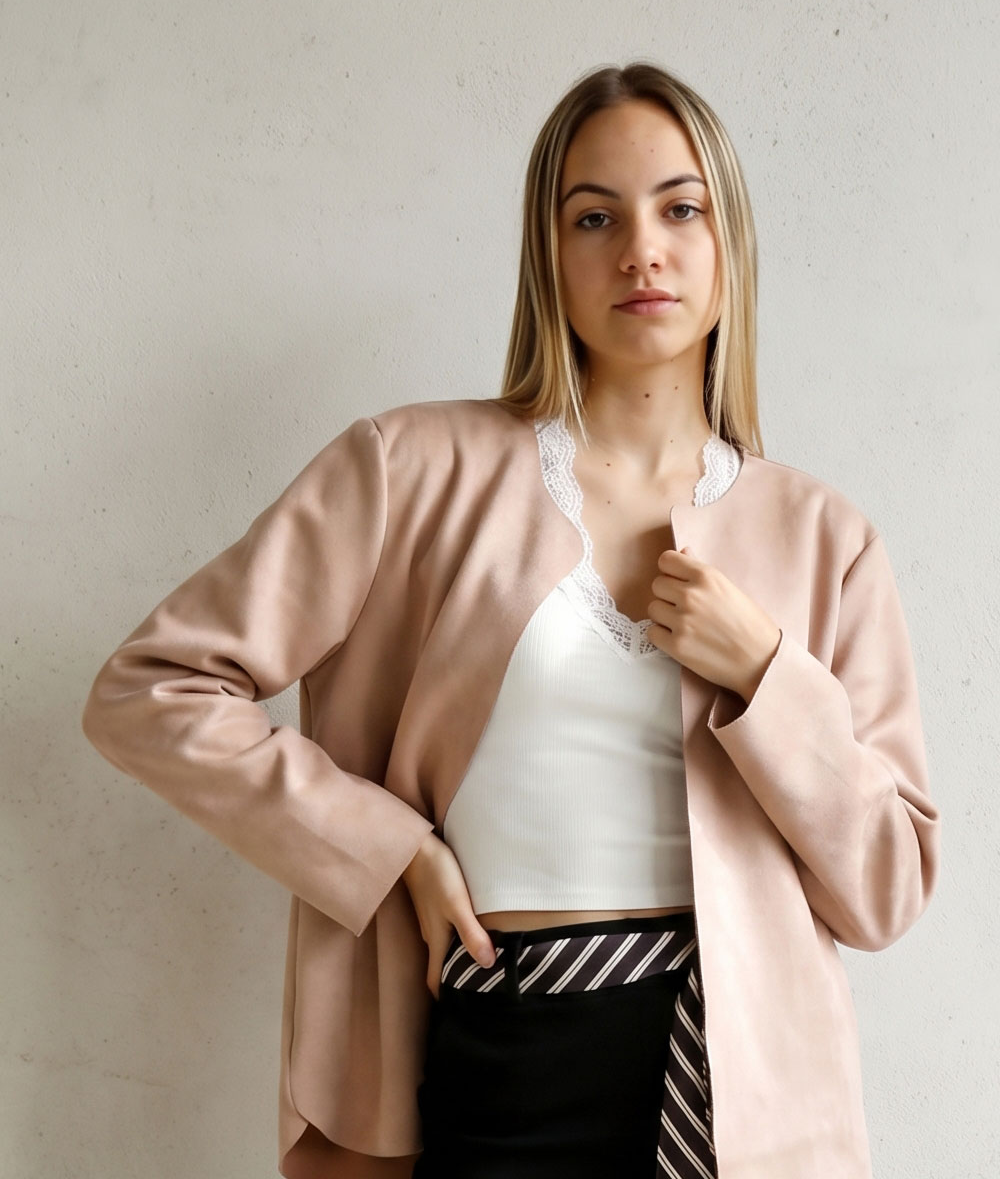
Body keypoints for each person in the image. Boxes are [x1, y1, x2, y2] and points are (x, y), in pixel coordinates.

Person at [82, 62, 940, 1179]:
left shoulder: (827, 537)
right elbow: (151, 690)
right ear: (549, 252)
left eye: (681, 208)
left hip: (742, 1091)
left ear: (730, 242)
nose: (642, 249)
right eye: (596, 216)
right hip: (496, 1038)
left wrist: (768, 671)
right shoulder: (408, 470)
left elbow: (885, 886)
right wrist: (391, 854)